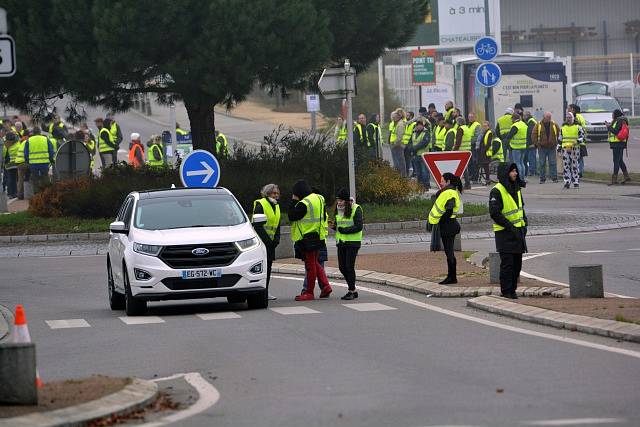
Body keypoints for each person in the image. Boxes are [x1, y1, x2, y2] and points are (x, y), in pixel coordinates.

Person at [288, 180, 332, 301]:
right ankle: (326, 286)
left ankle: (309, 292)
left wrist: (293, 200)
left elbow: (291, 215)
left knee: (310, 265)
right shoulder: (319, 198)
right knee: (316, 263)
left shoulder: (304, 203)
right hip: (318, 236)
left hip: (306, 238)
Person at [489, 163, 528, 299]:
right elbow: (495, 213)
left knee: (517, 264)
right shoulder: (496, 190)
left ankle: (513, 289)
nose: (515, 173)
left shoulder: (517, 188)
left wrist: (525, 224)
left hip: (518, 232)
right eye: (512, 171)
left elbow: (520, 208)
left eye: (516, 171)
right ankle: (506, 291)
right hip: (504, 233)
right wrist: (510, 226)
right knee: (508, 264)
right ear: (505, 173)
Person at [428, 173, 462, 284]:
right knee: (449, 251)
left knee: (449, 251)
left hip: (448, 225)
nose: (440, 182)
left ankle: (452, 277)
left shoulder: (449, 193)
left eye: (442, 180)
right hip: (448, 224)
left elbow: (449, 210)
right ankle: (452, 276)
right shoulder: (448, 192)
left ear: (448, 181)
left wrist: (440, 220)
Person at [329, 188, 363, 300]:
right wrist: (334, 227)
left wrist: (343, 230)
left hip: (353, 242)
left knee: (349, 266)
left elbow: (358, 226)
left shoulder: (356, 209)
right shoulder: (338, 210)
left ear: (347, 201)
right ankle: (352, 288)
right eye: (338, 200)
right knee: (342, 267)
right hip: (341, 242)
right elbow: (340, 227)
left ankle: (352, 291)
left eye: (341, 200)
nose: (339, 202)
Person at [252, 184, 281, 301]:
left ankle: (266, 291)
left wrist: (276, 239)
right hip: (261, 242)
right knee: (262, 268)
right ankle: (261, 292)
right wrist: (268, 241)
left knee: (268, 267)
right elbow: (257, 226)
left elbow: (277, 225)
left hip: (271, 243)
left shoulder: (276, 206)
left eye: (277, 193)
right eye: (274, 193)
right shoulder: (261, 204)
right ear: (267, 193)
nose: (276, 195)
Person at [24, 126, 55, 194]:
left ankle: (37, 195)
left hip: (33, 164)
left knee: (35, 180)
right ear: (40, 132)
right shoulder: (45, 139)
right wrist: (50, 159)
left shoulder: (29, 140)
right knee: (45, 178)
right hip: (44, 163)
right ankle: (46, 193)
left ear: (33, 133)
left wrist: (28, 162)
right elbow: (51, 151)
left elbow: (26, 154)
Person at [531, 112, 559, 184]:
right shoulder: (538, 125)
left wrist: (557, 143)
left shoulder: (554, 124)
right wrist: (537, 144)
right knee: (542, 163)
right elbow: (534, 134)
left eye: (550, 117)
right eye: (548, 117)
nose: (549, 119)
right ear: (544, 117)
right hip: (542, 148)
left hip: (552, 147)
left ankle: (554, 177)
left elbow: (559, 133)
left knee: (552, 162)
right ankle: (542, 178)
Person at [605, 109, 631, 185]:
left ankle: (614, 179)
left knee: (616, 161)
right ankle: (626, 177)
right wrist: (610, 125)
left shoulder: (619, 120)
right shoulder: (618, 120)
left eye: (613, 114)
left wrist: (608, 126)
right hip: (618, 143)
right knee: (619, 161)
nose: (612, 115)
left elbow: (615, 131)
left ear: (616, 114)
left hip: (618, 143)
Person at [558, 112, 584, 189]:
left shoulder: (578, 127)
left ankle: (576, 181)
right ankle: (567, 182)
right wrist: (558, 148)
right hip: (565, 149)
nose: (568, 119)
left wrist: (577, 141)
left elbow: (582, 137)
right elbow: (560, 139)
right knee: (566, 166)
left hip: (575, 149)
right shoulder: (563, 127)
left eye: (570, 117)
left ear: (573, 118)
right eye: (567, 117)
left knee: (575, 165)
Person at [503, 113, 527, 180]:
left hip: (516, 147)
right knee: (522, 162)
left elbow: (510, 135)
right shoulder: (523, 124)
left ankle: (518, 178)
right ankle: (522, 178)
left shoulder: (515, 126)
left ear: (513, 118)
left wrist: (506, 139)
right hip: (523, 146)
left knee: (517, 163)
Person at [410, 118, 431, 190]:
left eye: (420, 125)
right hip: (415, 155)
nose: (419, 126)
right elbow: (410, 142)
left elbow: (424, 143)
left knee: (424, 171)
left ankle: (426, 185)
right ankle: (419, 185)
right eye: (417, 125)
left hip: (423, 155)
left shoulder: (426, 133)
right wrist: (410, 148)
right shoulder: (414, 133)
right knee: (418, 172)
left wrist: (414, 148)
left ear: (423, 126)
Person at [569, 104, 588, 177]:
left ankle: (579, 172)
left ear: (573, 109)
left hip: (578, 142)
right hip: (580, 141)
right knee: (579, 158)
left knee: (578, 158)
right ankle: (579, 171)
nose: (568, 110)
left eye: (569, 108)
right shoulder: (581, 117)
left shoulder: (576, 117)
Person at [388, 110, 406, 177]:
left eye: (394, 116)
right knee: (397, 163)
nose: (393, 117)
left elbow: (399, 137)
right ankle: (399, 176)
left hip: (398, 146)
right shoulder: (396, 123)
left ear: (398, 116)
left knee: (400, 163)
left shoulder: (400, 124)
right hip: (395, 145)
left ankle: (402, 177)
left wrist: (394, 144)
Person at [523, 111, 537, 177]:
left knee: (531, 159)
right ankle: (532, 171)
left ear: (527, 116)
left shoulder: (531, 122)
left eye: (524, 116)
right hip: (530, 144)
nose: (523, 117)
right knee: (530, 158)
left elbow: (530, 134)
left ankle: (532, 172)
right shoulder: (531, 121)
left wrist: (532, 143)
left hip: (531, 144)